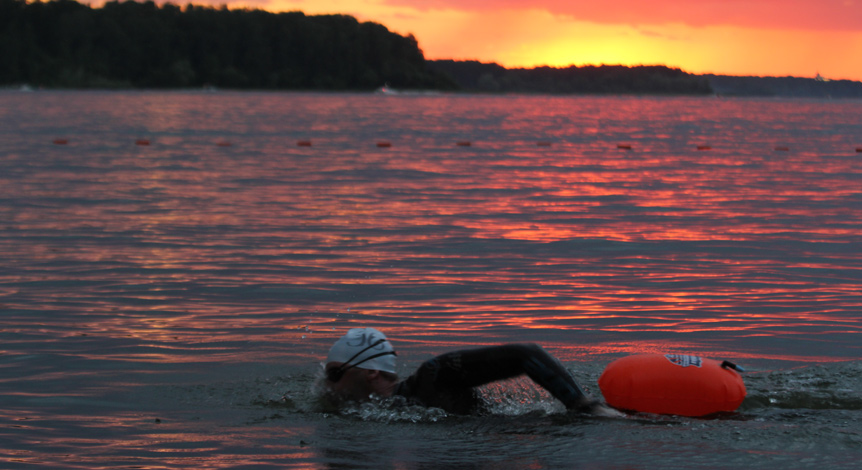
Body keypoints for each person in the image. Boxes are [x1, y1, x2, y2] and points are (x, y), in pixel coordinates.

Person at [320, 327, 620, 416]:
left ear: (371, 372)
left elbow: (525, 353)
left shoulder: (432, 376)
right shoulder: (389, 410)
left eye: (335, 375)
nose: (327, 386)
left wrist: (584, 406)